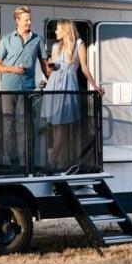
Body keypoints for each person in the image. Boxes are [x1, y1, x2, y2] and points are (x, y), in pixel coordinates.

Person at [41, 20, 104, 169]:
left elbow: (84, 68)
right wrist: (51, 67)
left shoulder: (79, 44)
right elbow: (54, 68)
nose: (55, 32)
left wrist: (95, 86)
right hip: (54, 85)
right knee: (57, 128)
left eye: (57, 29)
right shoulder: (56, 46)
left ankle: (53, 163)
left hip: (68, 84)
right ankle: (57, 163)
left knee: (62, 128)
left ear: (65, 30)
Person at [0, 6, 48, 171]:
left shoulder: (38, 40)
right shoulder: (7, 39)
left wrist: (52, 74)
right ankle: (14, 161)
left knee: (26, 125)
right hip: (8, 89)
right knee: (8, 125)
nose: (30, 22)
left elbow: (45, 65)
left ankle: (27, 162)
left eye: (30, 19)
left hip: (27, 89)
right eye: (26, 20)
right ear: (17, 21)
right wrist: (11, 69)